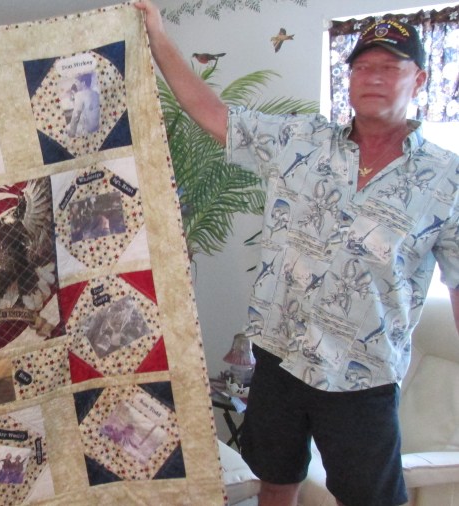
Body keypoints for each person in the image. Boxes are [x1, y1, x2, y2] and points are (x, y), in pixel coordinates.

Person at [134, 3, 459, 505]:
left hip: (362, 378)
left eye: (390, 67)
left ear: (418, 80)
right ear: (348, 80)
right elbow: (211, 112)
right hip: (280, 357)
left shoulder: (448, 181)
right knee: (276, 479)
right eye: (362, 67)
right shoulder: (299, 141)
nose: (373, 78)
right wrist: (156, 34)